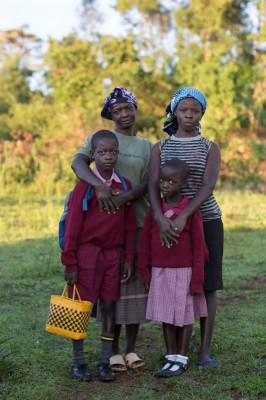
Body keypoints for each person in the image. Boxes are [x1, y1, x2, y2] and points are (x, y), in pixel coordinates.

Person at [71, 87, 153, 371]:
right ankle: (109, 353)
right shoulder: (100, 139)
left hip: (135, 220)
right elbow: (78, 162)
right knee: (108, 293)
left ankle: (130, 350)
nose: (124, 114)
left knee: (132, 287)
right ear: (110, 115)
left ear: (135, 109)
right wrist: (99, 187)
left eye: (128, 108)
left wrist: (128, 196)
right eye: (117, 110)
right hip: (98, 226)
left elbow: (150, 180)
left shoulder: (146, 145)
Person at [149, 87, 223, 369]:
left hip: (206, 221)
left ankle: (204, 350)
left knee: (208, 284)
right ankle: (174, 350)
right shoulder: (161, 147)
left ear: (201, 113)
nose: (189, 115)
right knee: (173, 281)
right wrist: (161, 218)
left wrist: (185, 217)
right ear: (174, 112)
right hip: (169, 224)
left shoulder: (209, 146)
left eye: (195, 111)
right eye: (183, 110)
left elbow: (207, 186)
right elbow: (154, 185)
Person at [61, 130, 137, 382]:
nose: (108, 156)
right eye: (102, 152)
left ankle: (104, 362)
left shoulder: (124, 186)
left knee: (108, 306)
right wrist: (70, 262)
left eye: (112, 151)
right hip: (86, 254)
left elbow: (128, 226)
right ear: (92, 154)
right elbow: (72, 226)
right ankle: (78, 362)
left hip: (113, 256)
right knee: (80, 307)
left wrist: (128, 259)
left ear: (118, 153)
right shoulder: (85, 185)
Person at [138, 158, 209, 377]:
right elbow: (146, 242)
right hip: (160, 271)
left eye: (171, 181)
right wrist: (145, 270)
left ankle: (182, 357)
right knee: (166, 316)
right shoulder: (155, 210)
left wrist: (197, 278)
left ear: (182, 183)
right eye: (162, 180)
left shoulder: (190, 210)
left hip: (184, 272)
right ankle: (170, 357)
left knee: (184, 316)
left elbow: (200, 247)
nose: (165, 185)